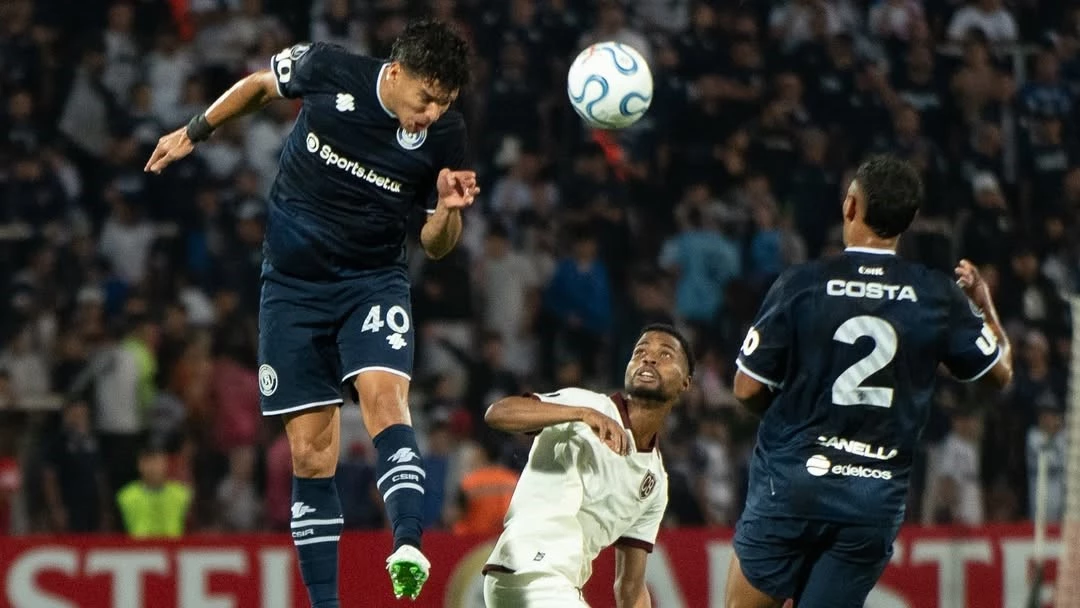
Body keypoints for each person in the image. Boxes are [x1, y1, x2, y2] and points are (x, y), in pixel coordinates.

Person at [144, 20, 479, 604]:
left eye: (443, 103)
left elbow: (436, 243)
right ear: (395, 73)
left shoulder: (446, 135)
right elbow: (256, 86)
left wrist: (448, 210)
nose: (430, 113)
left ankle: (406, 541)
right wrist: (194, 131)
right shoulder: (328, 69)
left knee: (384, 399)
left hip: (371, 283)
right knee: (311, 450)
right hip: (293, 289)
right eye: (425, 98)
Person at [725, 155, 1014, 608]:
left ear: (850, 206)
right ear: (911, 220)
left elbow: (746, 388)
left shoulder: (802, 283)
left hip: (793, 482)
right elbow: (999, 374)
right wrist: (983, 304)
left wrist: (793, 420)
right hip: (871, 496)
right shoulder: (935, 293)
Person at [482, 324, 694, 607]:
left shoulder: (654, 483)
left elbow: (630, 588)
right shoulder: (586, 404)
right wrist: (581, 415)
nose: (649, 358)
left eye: (665, 354)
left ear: (685, 383)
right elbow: (498, 413)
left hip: (558, 585)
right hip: (531, 571)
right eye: (640, 351)